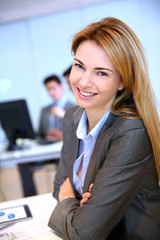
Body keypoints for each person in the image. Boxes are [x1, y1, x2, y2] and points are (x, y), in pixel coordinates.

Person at [48, 17, 160, 240]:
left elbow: (83, 232)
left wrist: (70, 199)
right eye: (79, 66)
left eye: (101, 73)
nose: (84, 82)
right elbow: (59, 185)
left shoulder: (131, 132)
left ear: (122, 82)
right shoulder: (72, 116)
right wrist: (82, 206)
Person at [18, 75, 75, 197]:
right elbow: (39, 133)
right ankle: (30, 197)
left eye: (53, 88)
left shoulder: (74, 107)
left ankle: (64, 196)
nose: (51, 92)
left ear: (61, 86)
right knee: (23, 163)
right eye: (48, 89)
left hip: (62, 152)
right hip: (46, 149)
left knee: (64, 162)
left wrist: (61, 134)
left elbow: (78, 131)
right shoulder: (45, 110)